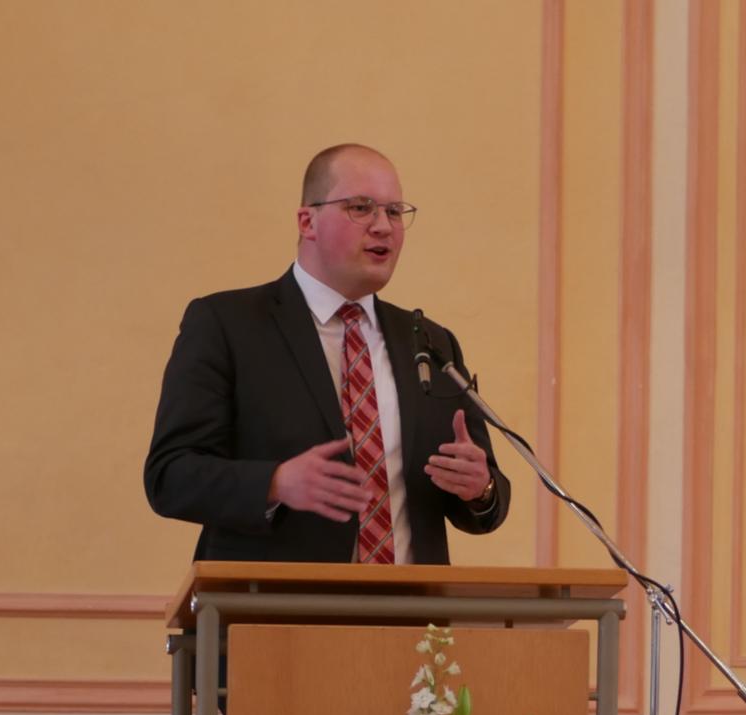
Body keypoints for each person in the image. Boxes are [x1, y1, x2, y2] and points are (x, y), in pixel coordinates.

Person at [144, 144, 511, 564]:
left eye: (394, 212)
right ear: (307, 221)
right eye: (361, 208)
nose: (383, 227)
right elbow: (169, 476)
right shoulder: (227, 325)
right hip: (272, 616)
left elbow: (488, 504)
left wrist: (479, 487)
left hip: (411, 618)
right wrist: (274, 482)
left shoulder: (428, 342)